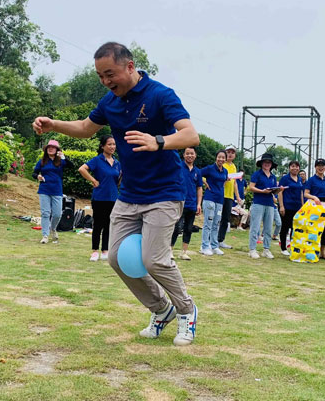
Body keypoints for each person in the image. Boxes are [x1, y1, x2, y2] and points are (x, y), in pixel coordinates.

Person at [31, 42, 199, 346]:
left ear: (130, 66)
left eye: (110, 74)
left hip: (164, 191)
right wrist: (52, 123)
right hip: (130, 194)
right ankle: (161, 310)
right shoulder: (110, 102)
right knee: (118, 259)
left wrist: (158, 140)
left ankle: (187, 311)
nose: (106, 81)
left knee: (154, 260)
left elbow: (191, 135)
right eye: (100, 76)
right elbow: (85, 128)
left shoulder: (161, 94)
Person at [79, 135, 121, 261]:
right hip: (99, 198)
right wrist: (93, 180)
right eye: (109, 144)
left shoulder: (118, 163)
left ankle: (105, 250)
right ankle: (95, 251)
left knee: (109, 225)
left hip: (113, 198)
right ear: (102, 146)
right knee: (98, 224)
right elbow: (82, 169)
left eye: (114, 144)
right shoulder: (97, 160)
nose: (112, 147)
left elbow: (118, 181)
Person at [32, 140, 73, 244]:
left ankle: (53, 229)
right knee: (45, 213)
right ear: (46, 149)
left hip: (57, 190)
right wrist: (38, 176)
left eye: (53, 147)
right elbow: (34, 173)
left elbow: (71, 166)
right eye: (49, 147)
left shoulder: (61, 161)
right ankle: (45, 235)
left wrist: (64, 157)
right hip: (44, 190)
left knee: (57, 214)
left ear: (57, 150)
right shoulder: (42, 161)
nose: (51, 149)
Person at [170, 147, 202, 260]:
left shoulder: (198, 171)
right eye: (187, 153)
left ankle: (184, 252)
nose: (190, 155)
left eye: (192, 153)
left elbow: (199, 188)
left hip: (192, 204)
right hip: (179, 202)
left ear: (195, 155)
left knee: (188, 228)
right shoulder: (178, 167)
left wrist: (199, 204)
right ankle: (170, 250)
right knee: (176, 227)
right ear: (183, 155)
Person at [248, 153, 282, 259]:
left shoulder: (272, 176)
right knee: (255, 226)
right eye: (265, 162)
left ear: (271, 164)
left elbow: (274, 191)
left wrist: (278, 190)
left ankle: (266, 249)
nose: (267, 164)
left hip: (270, 203)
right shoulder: (257, 174)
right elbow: (251, 187)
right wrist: (262, 191)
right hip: (258, 202)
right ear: (262, 163)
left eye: (269, 162)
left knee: (268, 228)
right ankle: (252, 249)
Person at [200, 150, 228, 256]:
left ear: (225, 159)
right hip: (209, 198)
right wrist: (205, 182)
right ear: (216, 157)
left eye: (223, 157)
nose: (221, 159)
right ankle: (204, 246)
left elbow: (224, 181)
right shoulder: (210, 168)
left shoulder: (225, 171)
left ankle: (214, 245)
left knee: (216, 223)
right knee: (208, 223)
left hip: (220, 199)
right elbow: (198, 173)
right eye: (219, 157)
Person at [217, 146, 242, 249]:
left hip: (229, 196)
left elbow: (235, 183)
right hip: (220, 194)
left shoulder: (234, 166)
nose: (230, 154)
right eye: (228, 152)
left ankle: (220, 240)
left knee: (226, 218)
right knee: (216, 218)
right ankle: (212, 239)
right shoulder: (222, 164)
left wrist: (238, 197)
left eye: (232, 152)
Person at [278, 160, 304, 256]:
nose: (295, 168)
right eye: (292, 166)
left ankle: (293, 246)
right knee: (285, 227)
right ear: (289, 168)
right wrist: (281, 206)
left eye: (297, 166)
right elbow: (280, 192)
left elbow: (301, 193)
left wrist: (302, 206)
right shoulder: (285, 179)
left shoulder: (300, 179)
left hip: (297, 207)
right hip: (287, 206)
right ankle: (283, 248)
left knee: (295, 228)